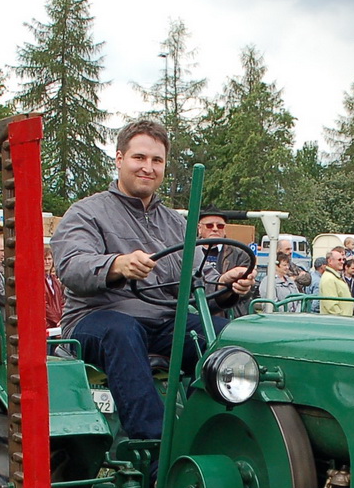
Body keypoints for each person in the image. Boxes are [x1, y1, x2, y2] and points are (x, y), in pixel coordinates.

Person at [50, 119, 255, 440]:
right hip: (97, 320)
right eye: (139, 158)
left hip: (163, 324)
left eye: (157, 160)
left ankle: (210, 432)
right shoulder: (86, 213)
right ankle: (155, 447)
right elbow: (72, 267)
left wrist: (228, 286)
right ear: (119, 159)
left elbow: (201, 282)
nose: (148, 167)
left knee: (229, 336)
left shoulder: (175, 223)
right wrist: (116, 265)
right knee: (121, 330)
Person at [317, 246, 354, 316]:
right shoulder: (329, 279)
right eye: (339, 260)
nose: (342, 262)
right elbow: (331, 305)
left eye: (343, 259)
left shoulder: (333, 277)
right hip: (338, 320)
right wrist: (341, 317)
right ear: (330, 261)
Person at [43, 247, 66, 329]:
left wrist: (63, 319)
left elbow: (62, 301)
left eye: (49, 259)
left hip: (59, 324)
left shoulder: (56, 281)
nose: (47, 262)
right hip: (46, 324)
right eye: (44, 259)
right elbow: (43, 304)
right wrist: (57, 320)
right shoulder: (37, 280)